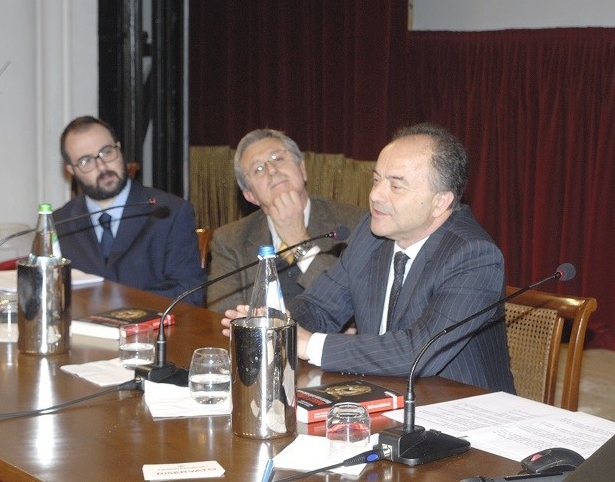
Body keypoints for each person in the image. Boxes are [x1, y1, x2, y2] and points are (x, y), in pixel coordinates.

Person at [223, 123, 515, 393]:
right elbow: (321, 307)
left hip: (461, 410)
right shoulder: (371, 233)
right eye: (376, 180)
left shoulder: (474, 255)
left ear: (440, 202)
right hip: (382, 393)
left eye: (395, 186)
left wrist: (310, 344)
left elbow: (418, 352)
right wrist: (277, 325)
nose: (375, 195)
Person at [206, 129, 364, 312]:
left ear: (302, 169)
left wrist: (298, 241)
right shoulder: (229, 240)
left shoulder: (354, 223)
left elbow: (355, 304)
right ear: (250, 196)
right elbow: (223, 314)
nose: (272, 170)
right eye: (258, 169)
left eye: (278, 158)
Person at [55, 116, 206, 305]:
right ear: (71, 170)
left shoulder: (169, 212)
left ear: (119, 148)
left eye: (107, 152)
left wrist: (121, 305)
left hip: (151, 323)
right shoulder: (59, 224)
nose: (102, 166)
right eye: (86, 161)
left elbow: (189, 292)